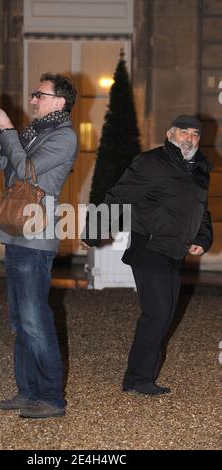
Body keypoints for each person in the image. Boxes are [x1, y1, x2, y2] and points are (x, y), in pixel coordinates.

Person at [82, 115, 212, 395]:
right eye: (184, 132)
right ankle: (138, 379)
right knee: (157, 313)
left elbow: (201, 209)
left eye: (195, 134)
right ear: (169, 134)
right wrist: (92, 231)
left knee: (164, 316)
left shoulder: (199, 168)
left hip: (175, 252)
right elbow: (118, 196)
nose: (190, 138)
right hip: (149, 248)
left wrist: (203, 237)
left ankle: (140, 376)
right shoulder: (151, 162)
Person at [0, 73, 77, 418]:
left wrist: (7, 128)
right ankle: (27, 391)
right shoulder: (34, 133)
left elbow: (25, 168)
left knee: (36, 320)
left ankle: (51, 399)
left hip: (35, 238)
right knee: (20, 321)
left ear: (59, 102)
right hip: (15, 232)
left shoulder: (64, 138)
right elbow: (3, 164)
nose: (33, 99)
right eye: (34, 93)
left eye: (40, 94)